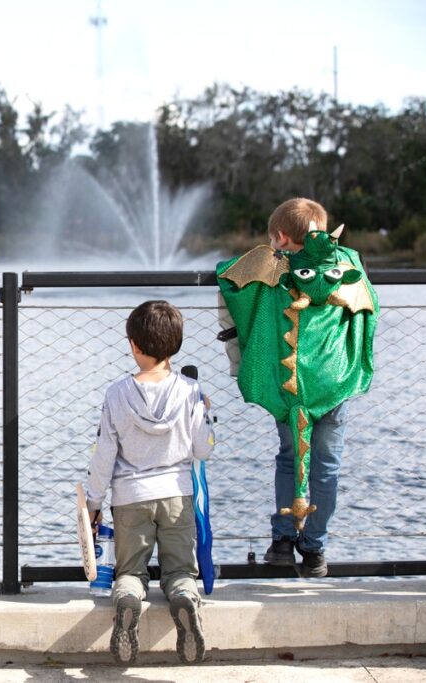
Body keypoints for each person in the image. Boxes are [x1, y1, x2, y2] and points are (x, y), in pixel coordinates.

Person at [218, 197, 377, 578]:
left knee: (290, 457)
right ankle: (315, 549)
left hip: (288, 387)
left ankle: (284, 542)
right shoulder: (347, 264)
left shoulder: (276, 269)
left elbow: (229, 279)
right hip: (334, 384)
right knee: (327, 465)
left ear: (281, 236)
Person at [85, 300, 215, 666]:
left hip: (130, 499)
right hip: (177, 495)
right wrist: (206, 413)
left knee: (129, 572)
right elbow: (203, 450)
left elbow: (103, 457)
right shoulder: (191, 391)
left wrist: (93, 504)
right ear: (175, 343)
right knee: (179, 571)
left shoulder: (116, 394)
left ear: (133, 345)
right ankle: (185, 599)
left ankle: (128, 600)